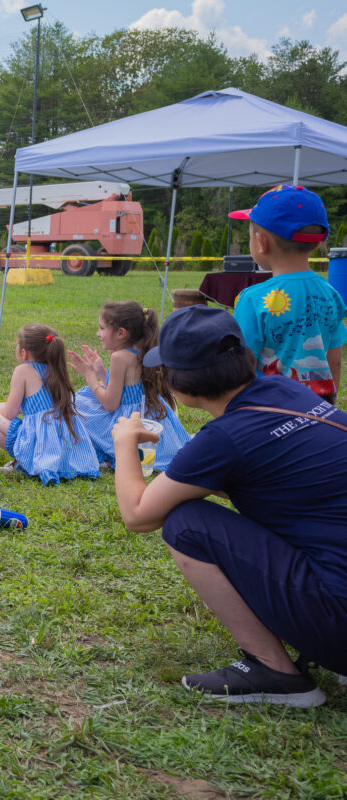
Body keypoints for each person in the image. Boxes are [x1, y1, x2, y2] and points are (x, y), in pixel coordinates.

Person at [112, 305, 347, 707]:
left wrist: (123, 441)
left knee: (186, 523)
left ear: (180, 386)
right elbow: (271, 475)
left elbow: (137, 514)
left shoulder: (224, 438)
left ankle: (275, 672)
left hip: (338, 619)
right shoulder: (287, 391)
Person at [229, 184, 345, 402]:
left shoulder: (252, 299)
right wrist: (328, 410)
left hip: (270, 411)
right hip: (318, 408)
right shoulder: (331, 294)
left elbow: (243, 367)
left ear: (261, 242)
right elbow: (334, 359)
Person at [69, 300, 189, 469]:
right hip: (149, 415)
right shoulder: (141, 349)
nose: (98, 333)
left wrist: (89, 376)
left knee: (75, 406)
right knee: (82, 400)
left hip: (129, 421)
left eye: (102, 328)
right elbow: (125, 389)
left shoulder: (119, 358)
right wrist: (101, 371)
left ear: (121, 333)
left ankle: (105, 455)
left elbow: (110, 404)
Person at [0, 324, 101, 485]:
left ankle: (24, 460)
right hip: (66, 449)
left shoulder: (23, 371)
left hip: (39, 446)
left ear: (24, 352)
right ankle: (50, 463)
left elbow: (9, 413)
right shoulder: (57, 369)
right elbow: (38, 407)